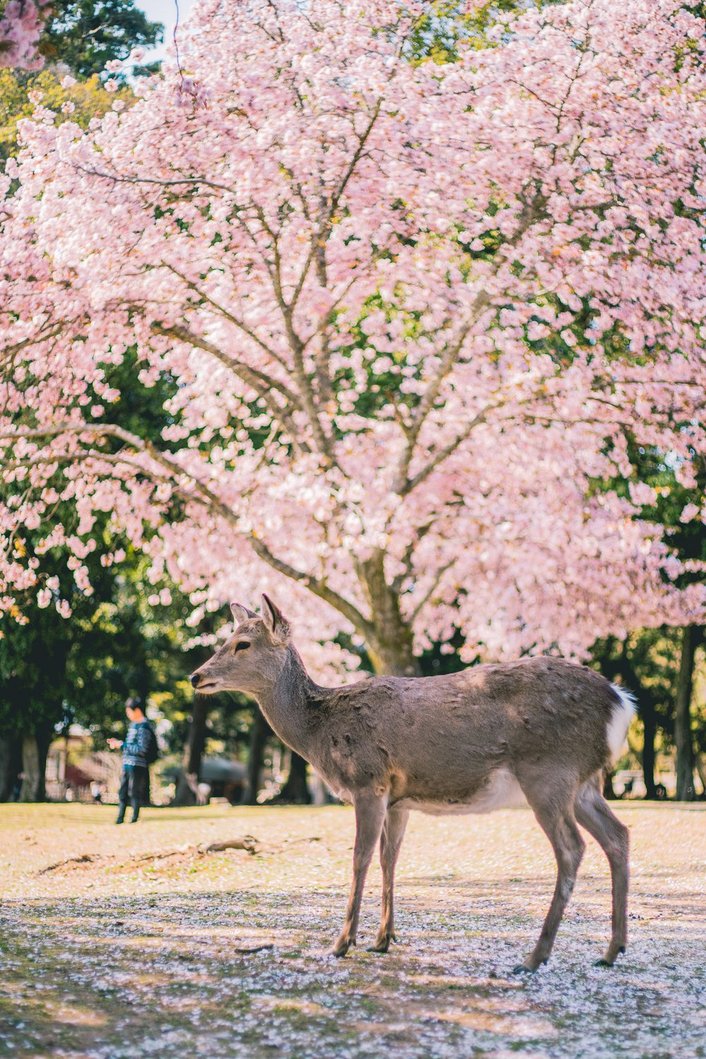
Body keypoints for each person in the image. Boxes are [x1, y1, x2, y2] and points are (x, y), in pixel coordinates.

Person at [108, 697, 158, 824]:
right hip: (127, 763)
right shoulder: (133, 726)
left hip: (137, 764)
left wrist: (122, 745)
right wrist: (118, 744)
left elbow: (142, 749)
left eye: (129, 711)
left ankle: (134, 818)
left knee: (134, 792)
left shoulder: (144, 727)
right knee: (123, 792)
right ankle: (120, 818)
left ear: (136, 710)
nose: (128, 714)